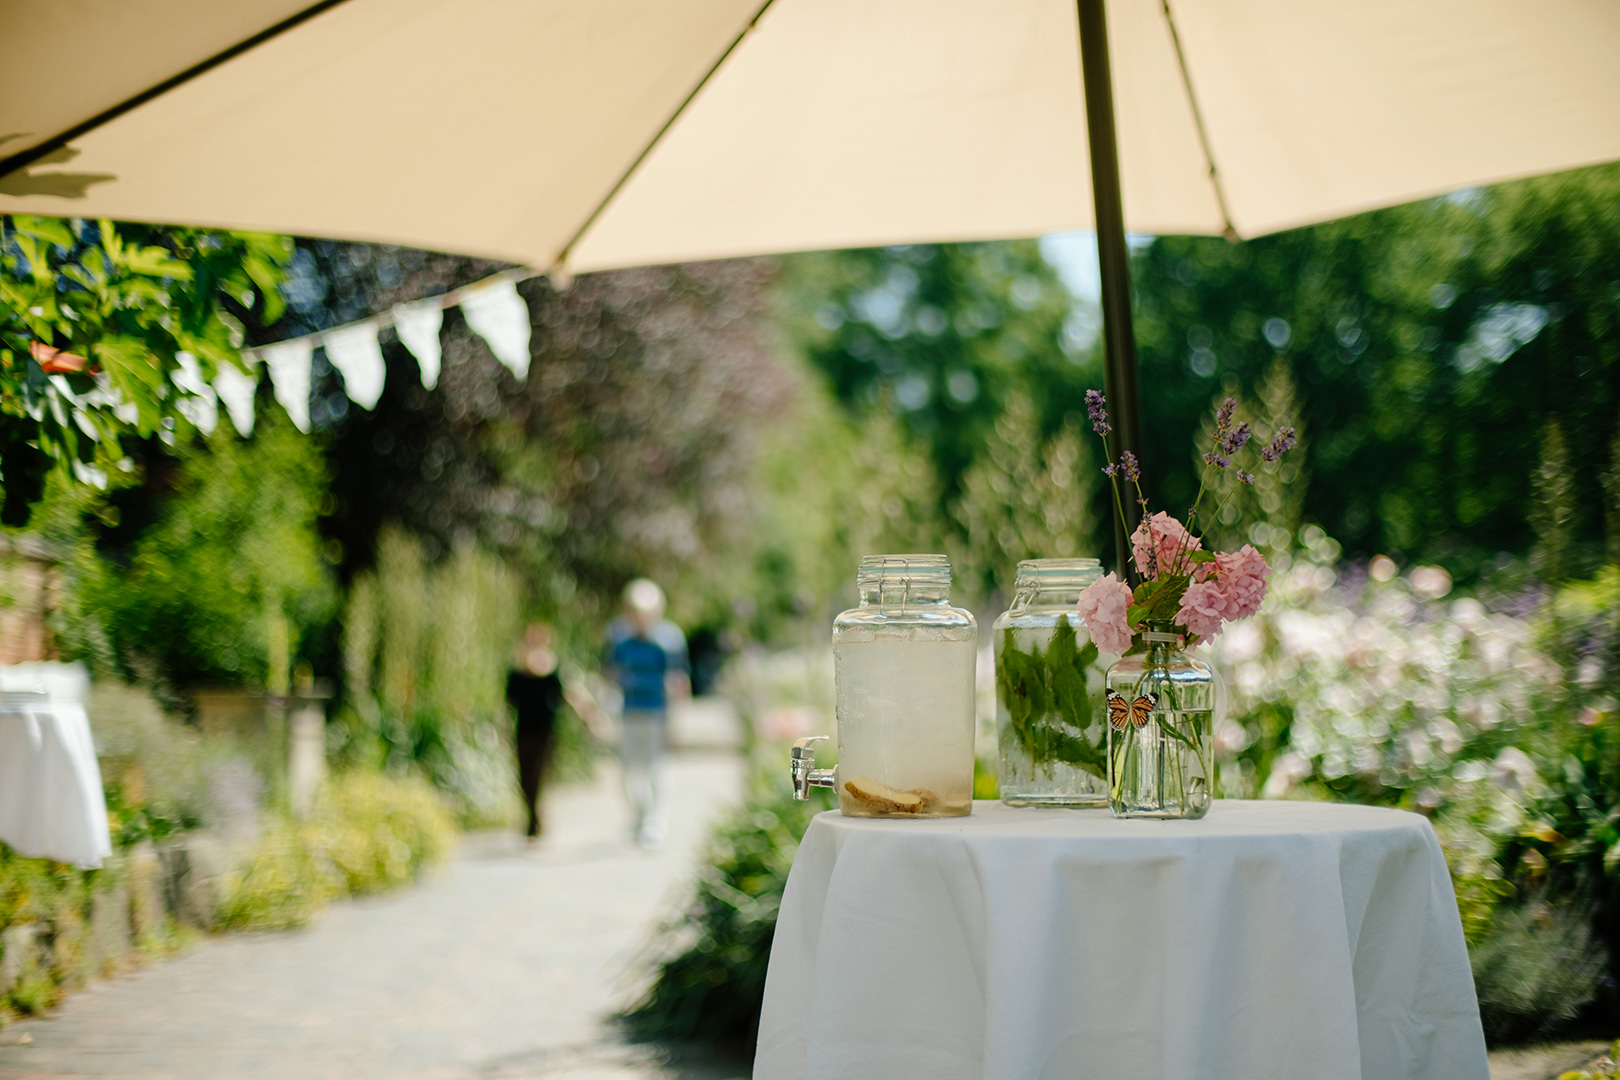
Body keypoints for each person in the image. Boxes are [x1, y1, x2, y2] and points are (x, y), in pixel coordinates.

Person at [603, 578, 688, 849]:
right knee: (628, 771)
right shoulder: (619, 637)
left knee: (655, 768)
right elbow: (610, 673)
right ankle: (638, 817)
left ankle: (655, 822)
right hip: (628, 712)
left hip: (656, 713)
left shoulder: (669, 639)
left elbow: (679, 682)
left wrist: (678, 721)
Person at [506, 622, 564, 841]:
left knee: (539, 776)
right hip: (523, 730)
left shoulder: (552, 671)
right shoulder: (516, 672)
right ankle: (532, 816)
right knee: (524, 778)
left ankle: (534, 820)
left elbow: (559, 697)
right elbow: (509, 703)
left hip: (545, 732)